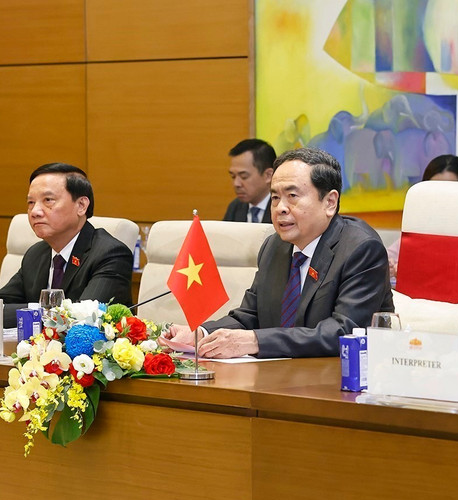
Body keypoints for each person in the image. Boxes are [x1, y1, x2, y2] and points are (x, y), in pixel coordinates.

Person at [163, 147, 393, 358]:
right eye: (275, 197)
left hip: (339, 380)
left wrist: (256, 341)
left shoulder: (361, 249)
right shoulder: (275, 246)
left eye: (292, 196)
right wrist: (200, 334)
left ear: (330, 202)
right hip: (278, 376)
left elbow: (345, 331)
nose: (280, 208)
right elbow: (250, 315)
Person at [0, 163, 132, 326]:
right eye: (30, 203)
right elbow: (3, 303)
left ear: (81, 205)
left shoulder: (110, 254)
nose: (35, 211)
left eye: (48, 200)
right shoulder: (36, 254)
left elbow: (80, 317)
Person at [387, 154, 458, 279]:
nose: (441, 198)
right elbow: (386, 258)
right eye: (434, 190)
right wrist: (387, 267)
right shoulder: (420, 228)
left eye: (449, 191)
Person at [223, 138, 276, 224]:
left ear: (268, 175)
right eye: (233, 176)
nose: (236, 184)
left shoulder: (282, 208)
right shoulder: (235, 207)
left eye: (244, 176)